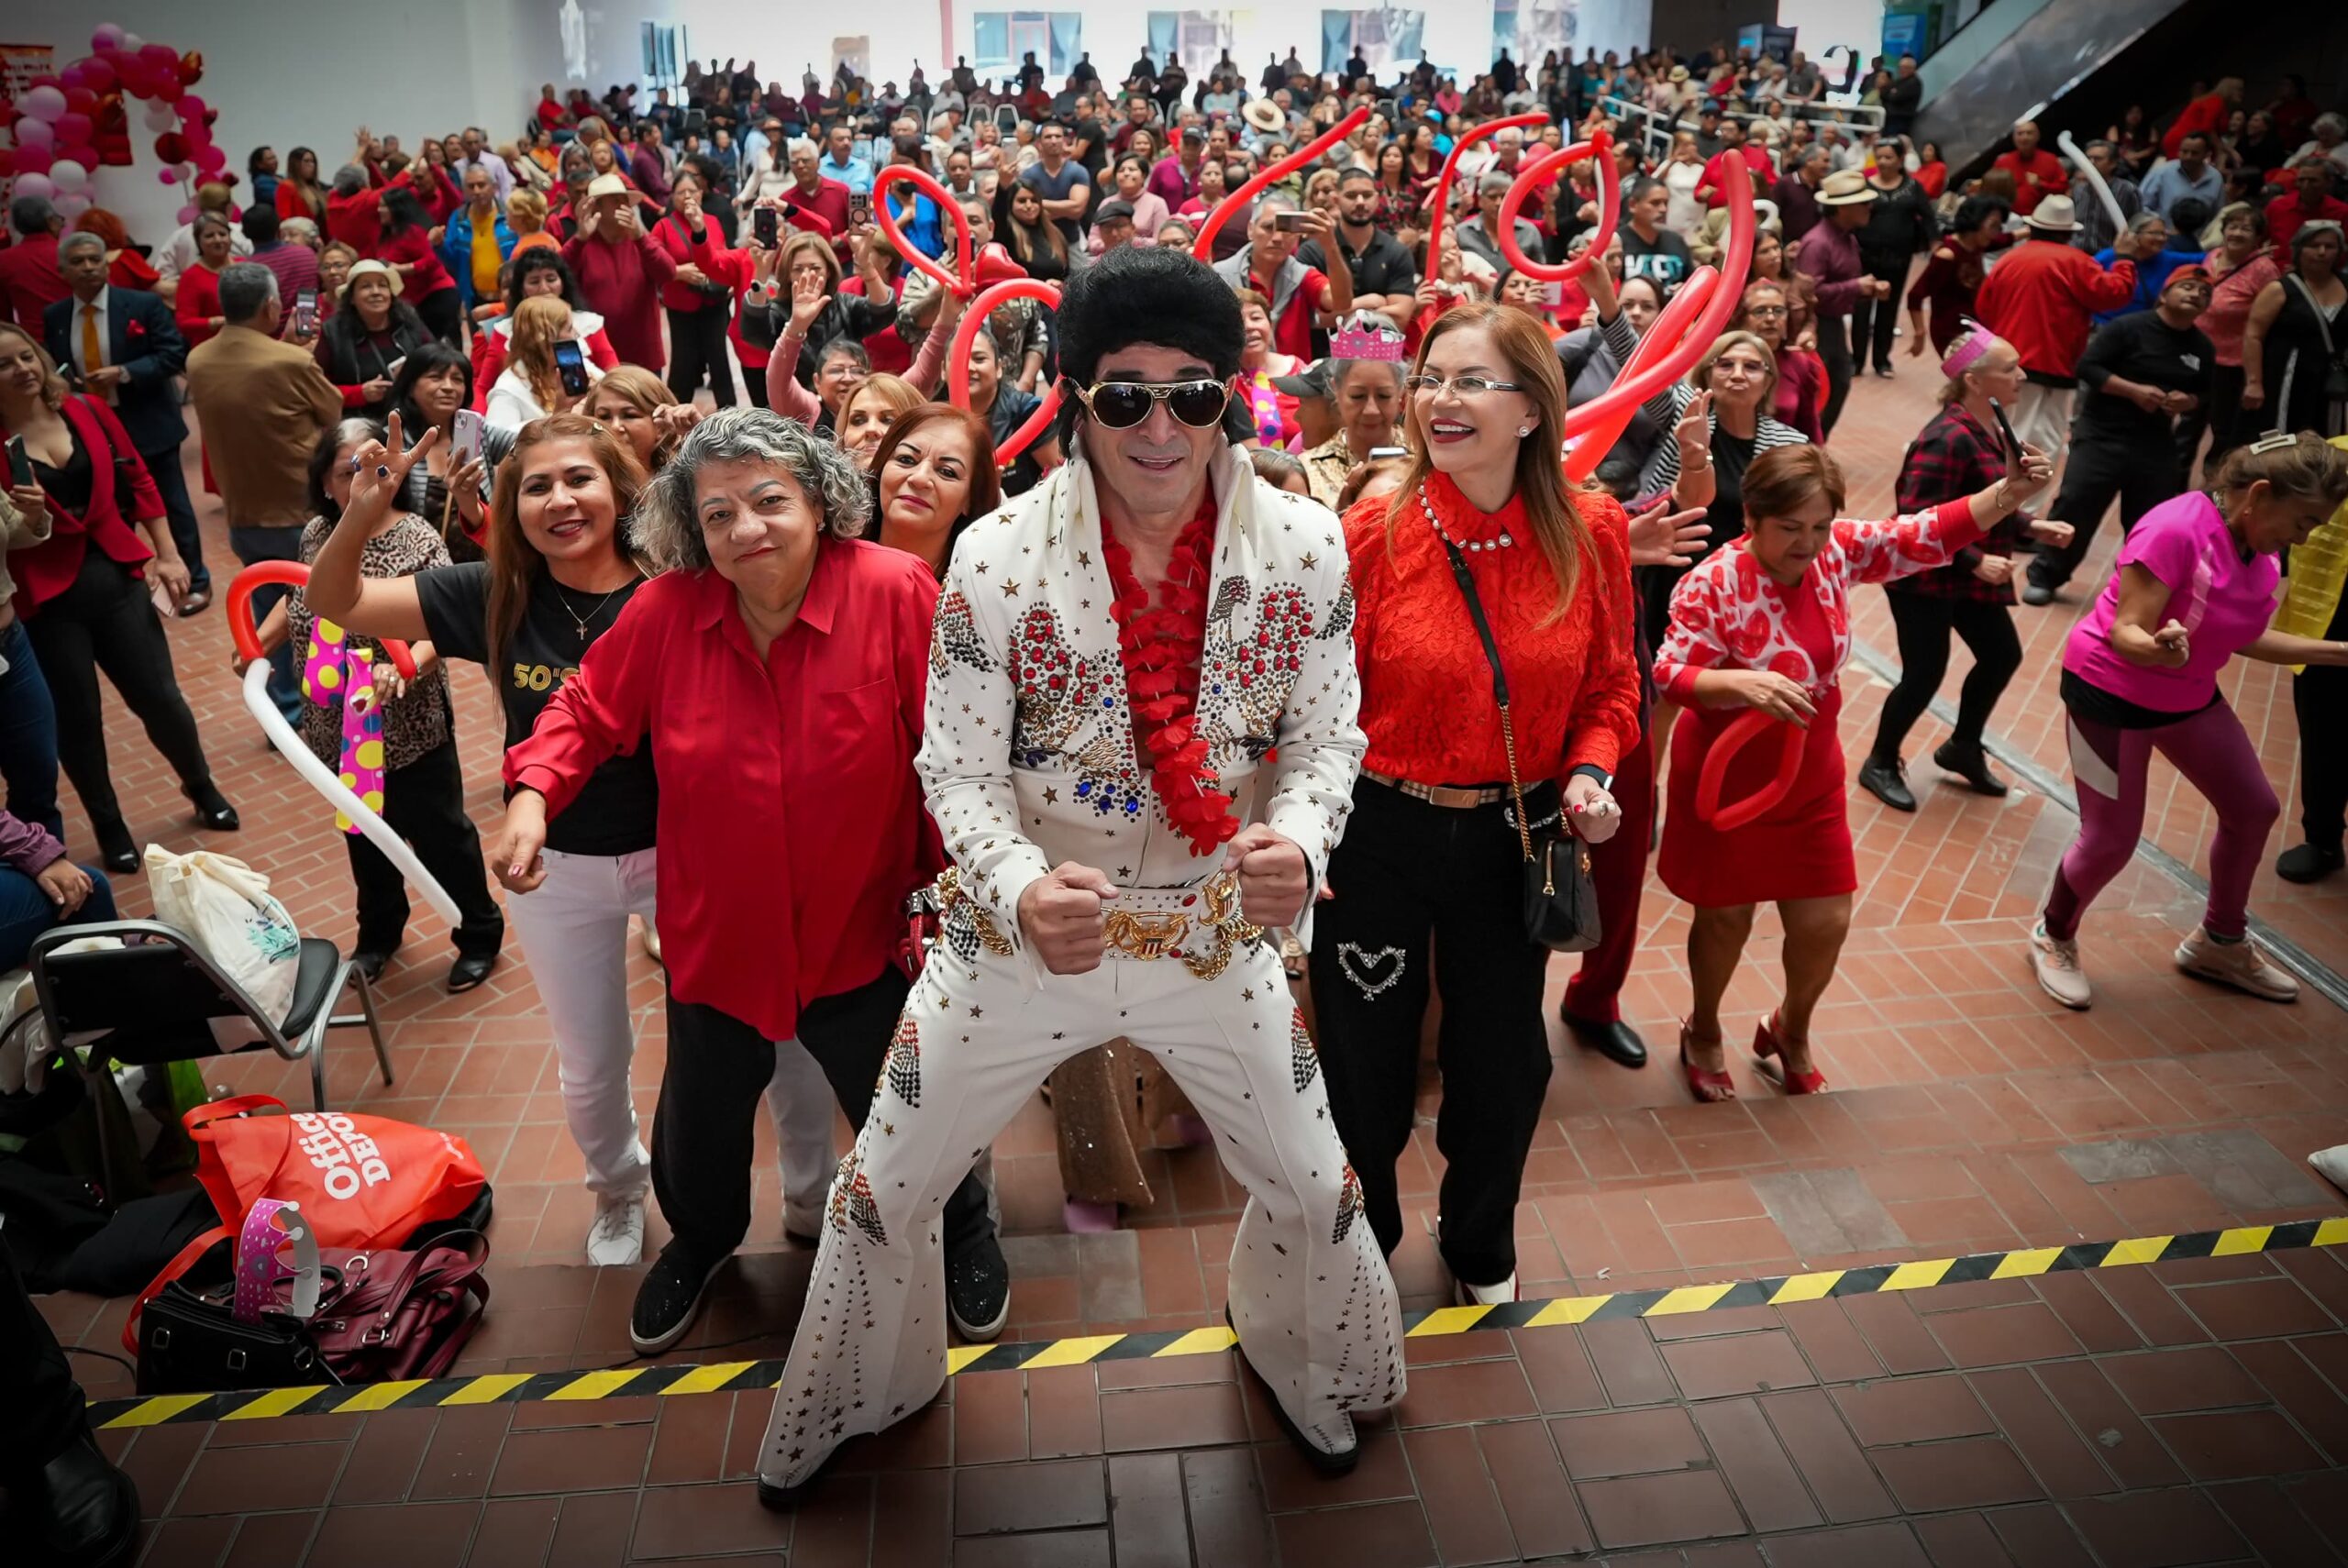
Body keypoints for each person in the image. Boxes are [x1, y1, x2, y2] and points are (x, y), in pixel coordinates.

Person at [747, 245, 1401, 1503]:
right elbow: (957, 772)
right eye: (1123, 396)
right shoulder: (992, 559)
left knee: (1319, 1186)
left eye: (1194, 394)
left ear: (1232, 396)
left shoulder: (1309, 548)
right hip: (1019, 940)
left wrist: (1302, 842)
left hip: (1215, 937)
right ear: (1076, 398)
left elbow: (1328, 741)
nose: (1161, 427)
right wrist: (1011, 885)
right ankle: (860, 1387)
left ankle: (1302, 1352)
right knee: (882, 1183)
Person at [491, 407, 1008, 1351]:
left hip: (862, 928)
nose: (745, 529)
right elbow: (585, 709)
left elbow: (966, 739)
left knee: (914, 1100)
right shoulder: (666, 612)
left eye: (768, 500)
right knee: (702, 1116)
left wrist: (974, 878)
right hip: (717, 932)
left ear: (818, 499)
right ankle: (699, 1243)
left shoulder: (895, 589)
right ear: (694, 531)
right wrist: (532, 795)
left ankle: (964, 1228)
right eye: (717, 513)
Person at [305, 405, 835, 1264]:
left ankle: (814, 1193)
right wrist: (363, 517)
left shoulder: (687, 582)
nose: (562, 499)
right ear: (510, 505)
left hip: (694, 855)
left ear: (621, 490)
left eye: (581, 478)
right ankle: (619, 1192)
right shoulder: (491, 593)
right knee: (593, 1059)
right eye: (538, 485)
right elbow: (340, 604)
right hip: (553, 866)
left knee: (776, 1030)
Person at [1316, 301, 1634, 1305]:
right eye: (1431, 379)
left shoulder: (1593, 530)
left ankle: (1478, 1233)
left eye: (1468, 381)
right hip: (1377, 832)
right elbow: (1316, 704)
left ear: (1532, 410)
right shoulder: (1370, 530)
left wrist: (1589, 769)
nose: (1437, 400)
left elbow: (1612, 687)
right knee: (1363, 1063)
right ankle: (1363, 1239)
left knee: (1503, 1062)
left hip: (1518, 833)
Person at [1657, 441, 2053, 1099]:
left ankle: (1791, 1027)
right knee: (1725, 917)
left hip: (1808, 764)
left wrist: (2009, 492)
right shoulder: (1714, 581)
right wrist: (1737, 683)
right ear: (1751, 518)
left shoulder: (1837, 549)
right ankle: (1702, 1028)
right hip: (1728, 771)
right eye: (1790, 528)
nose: (1808, 543)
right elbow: (1669, 672)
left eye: (1818, 526)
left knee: (1825, 921)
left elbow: (1922, 534)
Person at [2030, 434, 2348, 1010]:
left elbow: (2241, 634)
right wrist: (2157, 648)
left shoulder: (2260, 545)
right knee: (2110, 839)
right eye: (2303, 521)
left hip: (2187, 693)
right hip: (2110, 693)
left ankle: (2219, 943)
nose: (2304, 537)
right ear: (2258, 494)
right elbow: (2127, 630)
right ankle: (2053, 934)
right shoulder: (2175, 528)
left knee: (2254, 808)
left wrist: (2338, 652)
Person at [237, 419, 504, 988]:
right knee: (361, 832)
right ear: (327, 484)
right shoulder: (316, 535)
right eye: (347, 470)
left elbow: (443, 624)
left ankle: (478, 933)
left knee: (442, 835)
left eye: (375, 466)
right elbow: (297, 596)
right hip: (335, 726)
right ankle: (379, 934)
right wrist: (257, 643)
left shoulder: (416, 538)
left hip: (409, 724)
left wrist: (400, 665)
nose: (363, 477)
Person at [0, 323, 234, 873]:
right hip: (45, 602)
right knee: (77, 723)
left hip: (117, 576)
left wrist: (169, 553)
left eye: (27, 356)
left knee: (161, 699)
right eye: (6, 364)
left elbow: (141, 479)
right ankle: (109, 825)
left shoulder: (86, 410)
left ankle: (200, 786)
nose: (23, 369)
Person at [1862, 326, 2076, 810]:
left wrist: (2031, 527)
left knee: (2001, 655)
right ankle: (1879, 760)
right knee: (1924, 672)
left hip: (1956, 575)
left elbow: (1983, 505)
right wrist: (1976, 561)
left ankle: (1962, 746)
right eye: (2009, 368)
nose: (2021, 375)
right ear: (1974, 381)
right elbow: (1914, 518)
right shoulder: (1945, 438)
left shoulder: (1992, 427)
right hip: (1922, 580)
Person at [188, 262, 346, 734]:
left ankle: (283, 713)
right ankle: (331, 707)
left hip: (243, 512)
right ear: (271, 306)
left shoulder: (198, 360)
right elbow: (332, 410)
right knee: (323, 609)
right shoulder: (290, 361)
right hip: (300, 509)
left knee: (265, 610)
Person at [2025, 268, 2216, 603]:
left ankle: (2136, 592)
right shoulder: (2128, 328)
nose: (2195, 294)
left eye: (2204, 292)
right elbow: (2088, 367)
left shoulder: (2202, 347)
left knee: (2153, 521)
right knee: (2077, 503)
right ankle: (2046, 574)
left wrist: (2189, 401)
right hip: (2101, 434)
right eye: (2187, 287)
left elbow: (2205, 392)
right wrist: (2133, 392)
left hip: (2155, 443)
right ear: (2164, 293)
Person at [45, 233, 209, 614]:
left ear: (106, 264)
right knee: (113, 510)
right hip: (91, 432)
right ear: (62, 270)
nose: (88, 267)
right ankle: (134, 588)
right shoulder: (55, 316)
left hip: (148, 423)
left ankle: (196, 581)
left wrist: (124, 372)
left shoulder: (142, 304)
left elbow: (173, 355)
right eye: (78, 261)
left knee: (173, 504)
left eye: (94, 259)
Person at [1974, 196, 2144, 471]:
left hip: (2008, 359)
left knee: (2011, 428)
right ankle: (2018, 505)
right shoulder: (2077, 262)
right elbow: (2115, 293)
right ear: (2068, 233)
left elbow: (1984, 308)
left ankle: (1999, 498)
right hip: (2053, 361)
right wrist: (2124, 259)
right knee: (2045, 438)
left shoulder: (2009, 260)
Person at [1792, 169, 1884, 436]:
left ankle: (1814, 442)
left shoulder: (1847, 237)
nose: (1870, 208)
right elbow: (1811, 292)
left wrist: (1867, 289)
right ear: (1843, 208)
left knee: (1839, 384)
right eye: (1863, 203)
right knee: (1820, 389)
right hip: (1817, 326)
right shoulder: (1818, 243)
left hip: (1833, 324)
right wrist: (1857, 286)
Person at [2198, 205, 2286, 479]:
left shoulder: (2264, 270)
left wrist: (2255, 379)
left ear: (2258, 238)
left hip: (2233, 363)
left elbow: (2269, 320)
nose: (2236, 233)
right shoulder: (2211, 257)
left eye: (2245, 229)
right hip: (2197, 355)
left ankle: (2216, 486)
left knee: (2223, 429)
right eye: (2232, 227)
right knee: (2188, 425)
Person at [2242, 222, 2347, 439]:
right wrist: (2254, 382)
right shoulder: (2279, 289)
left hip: (2333, 378)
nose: (2322, 252)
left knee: (2331, 438)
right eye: (2314, 245)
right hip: (2287, 377)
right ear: (2299, 249)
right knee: (2284, 439)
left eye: (2330, 246)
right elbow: (2253, 336)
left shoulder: (2346, 285)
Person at [563, 173, 678, 373]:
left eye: (626, 200)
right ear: (597, 208)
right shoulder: (582, 245)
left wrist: (640, 237)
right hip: (597, 356)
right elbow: (559, 273)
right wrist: (579, 238)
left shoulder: (641, 241)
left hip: (643, 353)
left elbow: (668, 272)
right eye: (616, 201)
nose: (624, 206)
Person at [869, 402, 999, 577]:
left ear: (970, 499)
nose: (920, 478)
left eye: (947, 472)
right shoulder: (827, 561)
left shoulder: (976, 594)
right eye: (906, 459)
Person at [650, 176, 737, 406]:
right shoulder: (663, 227)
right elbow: (653, 262)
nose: (687, 196)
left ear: (701, 193)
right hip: (681, 304)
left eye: (692, 191)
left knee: (719, 360)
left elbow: (723, 254)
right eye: (681, 192)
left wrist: (726, 279)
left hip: (714, 302)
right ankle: (674, 418)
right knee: (682, 363)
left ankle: (730, 416)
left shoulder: (712, 221)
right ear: (672, 197)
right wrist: (677, 272)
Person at [1851, 139, 1933, 377]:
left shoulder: (1913, 187)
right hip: (1865, 256)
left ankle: (1882, 361)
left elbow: (1928, 218)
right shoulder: (1864, 186)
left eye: (1889, 157)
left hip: (1898, 258)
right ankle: (1856, 361)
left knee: (1888, 308)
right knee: (1861, 308)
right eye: (1880, 157)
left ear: (1900, 159)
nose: (1884, 162)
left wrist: (1936, 247)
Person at [1298, 169, 1417, 321]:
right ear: (1336, 200)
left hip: (1381, 344)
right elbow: (1309, 319)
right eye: (1351, 195)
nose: (1360, 202)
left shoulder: (1398, 251)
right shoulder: (1311, 251)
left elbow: (1400, 317)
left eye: (1367, 195)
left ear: (1378, 198)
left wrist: (1337, 315)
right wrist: (1369, 303)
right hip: (1325, 344)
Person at [317, 259, 433, 416]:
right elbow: (318, 389)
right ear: (351, 298)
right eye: (366, 286)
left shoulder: (409, 322)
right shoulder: (333, 332)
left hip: (413, 414)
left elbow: (436, 361)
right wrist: (359, 394)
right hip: (357, 420)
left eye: (382, 285)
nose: (376, 292)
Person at [1904, 195, 2010, 357]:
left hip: (1974, 325)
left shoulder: (1975, 245)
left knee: (1983, 373)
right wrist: (1920, 334)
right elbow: (1915, 295)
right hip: (1952, 332)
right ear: (1975, 222)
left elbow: (2003, 240)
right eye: (1993, 226)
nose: (1995, 234)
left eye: (1999, 228)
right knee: (1972, 375)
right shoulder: (1947, 256)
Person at [963, 326, 1063, 497]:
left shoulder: (1027, 411)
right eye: (960, 361)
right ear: (943, 369)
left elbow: (1060, 480)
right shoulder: (936, 418)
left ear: (999, 368)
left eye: (979, 359)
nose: (969, 367)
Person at [1299, 352, 1406, 507]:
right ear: (1337, 390)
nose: (1371, 410)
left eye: (1383, 396)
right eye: (1358, 396)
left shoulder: (1426, 459)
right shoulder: (1308, 469)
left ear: (1400, 394)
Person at [1733, 279, 1826, 442]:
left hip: (1783, 461)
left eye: (1778, 311)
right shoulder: (1728, 362)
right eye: (1760, 311)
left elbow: (1810, 426)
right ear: (1743, 320)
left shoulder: (1799, 363)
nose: (1770, 318)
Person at [487, 295, 596, 426]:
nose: (576, 334)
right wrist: (559, 413)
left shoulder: (576, 365)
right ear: (545, 339)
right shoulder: (509, 388)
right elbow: (496, 440)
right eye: (569, 328)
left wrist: (598, 392)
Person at [437, 164, 516, 323]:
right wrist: (438, 245)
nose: (477, 191)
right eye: (470, 186)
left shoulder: (511, 213)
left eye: (481, 185)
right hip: (475, 299)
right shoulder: (458, 218)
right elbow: (453, 261)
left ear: (494, 187)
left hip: (511, 297)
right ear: (464, 190)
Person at [0, 197, 69, 334]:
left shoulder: (4, 260)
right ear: (50, 222)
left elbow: (3, 317)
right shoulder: (73, 254)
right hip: (79, 339)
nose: (63, 225)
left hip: (33, 344)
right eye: (60, 219)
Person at [170, 215, 236, 351]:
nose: (217, 240)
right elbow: (183, 323)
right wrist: (216, 322)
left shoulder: (245, 266)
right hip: (211, 350)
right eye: (209, 236)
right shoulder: (191, 277)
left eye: (222, 234)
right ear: (198, 241)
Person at [1620, 178, 1695, 298]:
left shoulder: (1676, 241)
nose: (1663, 209)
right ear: (1633, 205)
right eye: (1655, 203)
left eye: (1666, 203)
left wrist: (1684, 289)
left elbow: (1691, 283)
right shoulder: (1617, 242)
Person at [2266, 158, 2348, 254]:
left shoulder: (2342, 212)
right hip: (2279, 267)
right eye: (2301, 180)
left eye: (2313, 181)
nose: (2305, 186)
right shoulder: (2277, 207)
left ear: (2329, 182)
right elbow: (2258, 241)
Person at [1992, 119, 2069, 219]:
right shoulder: (2003, 162)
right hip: (2009, 220)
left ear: (2037, 136)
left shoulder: (2050, 160)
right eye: (2020, 134)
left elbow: (2063, 189)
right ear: (2014, 138)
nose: (2024, 138)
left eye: (2029, 133)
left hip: (2043, 221)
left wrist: (2041, 185)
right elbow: (1991, 192)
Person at [276, 147, 331, 228]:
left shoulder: (316, 188)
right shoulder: (286, 187)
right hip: (300, 236)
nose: (311, 165)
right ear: (295, 164)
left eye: (313, 162)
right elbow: (285, 220)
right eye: (306, 161)